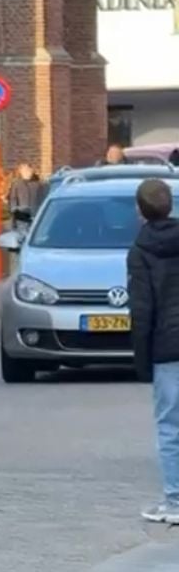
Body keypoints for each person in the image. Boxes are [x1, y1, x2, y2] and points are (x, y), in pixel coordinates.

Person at [128, 179, 179, 523]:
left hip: (167, 348)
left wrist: (142, 360)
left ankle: (175, 500)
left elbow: (142, 311)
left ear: (139, 211)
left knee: (171, 426)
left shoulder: (140, 252)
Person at [7, 163, 45, 233]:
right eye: (24, 171)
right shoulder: (16, 184)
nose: (27, 173)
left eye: (28, 170)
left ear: (32, 171)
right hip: (21, 216)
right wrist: (15, 211)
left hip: (35, 215)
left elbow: (42, 199)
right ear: (21, 172)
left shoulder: (39, 184)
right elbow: (13, 199)